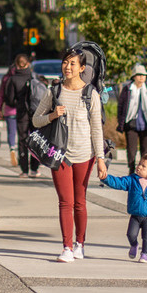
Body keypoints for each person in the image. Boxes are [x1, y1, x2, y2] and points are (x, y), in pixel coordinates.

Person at [34, 43, 108, 263]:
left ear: (82, 68)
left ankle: (80, 244)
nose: (67, 67)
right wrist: (52, 115)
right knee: (65, 202)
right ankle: (66, 247)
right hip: (61, 154)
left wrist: (101, 159)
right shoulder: (54, 91)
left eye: (72, 63)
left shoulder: (90, 94)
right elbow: (36, 120)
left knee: (80, 202)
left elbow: (97, 128)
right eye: (65, 62)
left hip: (85, 154)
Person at [98, 154, 147, 263]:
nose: (139, 167)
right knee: (131, 234)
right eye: (139, 164)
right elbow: (118, 182)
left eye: (143, 166)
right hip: (135, 215)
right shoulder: (132, 180)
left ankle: (145, 254)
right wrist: (105, 178)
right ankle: (134, 245)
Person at [0, 54, 38, 177]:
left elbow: (9, 100)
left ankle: (25, 170)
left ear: (16, 65)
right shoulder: (34, 78)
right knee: (35, 139)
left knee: (23, 140)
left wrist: (19, 103)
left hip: (21, 113)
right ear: (28, 64)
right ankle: (35, 169)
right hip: (35, 113)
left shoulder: (13, 79)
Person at [117, 64, 147, 175]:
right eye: (139, 75)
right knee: (131, 151)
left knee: (146, 151)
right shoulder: (128, 90)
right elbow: (120, 106)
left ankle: (145, 173)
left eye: (144, 75)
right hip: (131, 124)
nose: (141, 77)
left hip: (146, 125)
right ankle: (131, 171)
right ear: (134, 77)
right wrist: (120, 121)